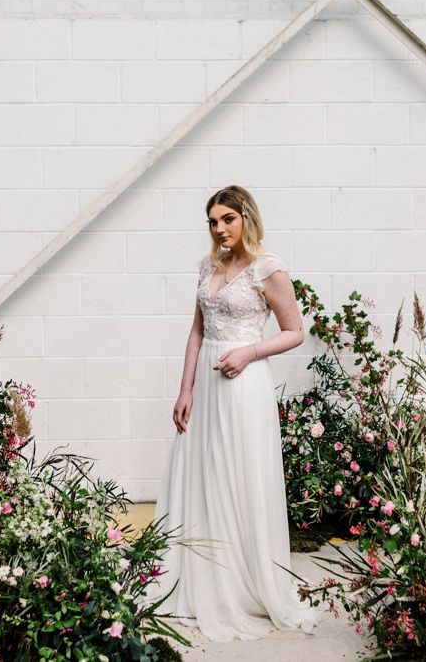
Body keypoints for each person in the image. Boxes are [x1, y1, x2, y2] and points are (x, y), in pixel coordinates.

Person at [142, 185, 322, 642]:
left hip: (243, 385)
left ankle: (241, 583)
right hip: (205, 380)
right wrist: (185, 390)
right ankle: (196, 577)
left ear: (246, 219)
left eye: (227, 219)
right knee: (200, 475)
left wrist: (250, 353)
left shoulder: (268, 269)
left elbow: (295, 331)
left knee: (237, 474)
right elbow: (196, 332)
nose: (219, 229)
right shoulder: (209, 266)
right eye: (213, 221)